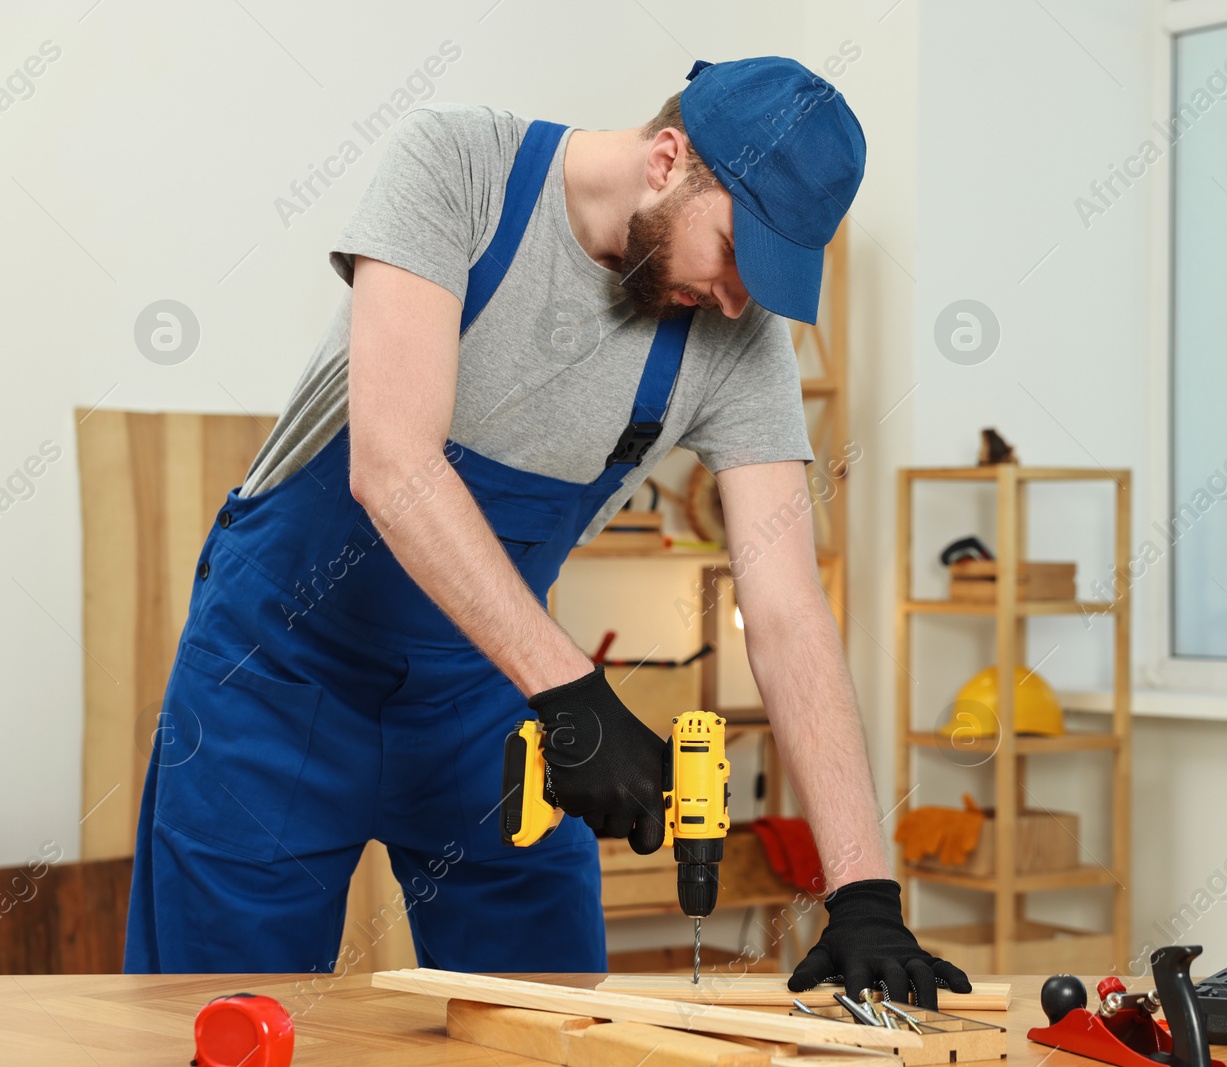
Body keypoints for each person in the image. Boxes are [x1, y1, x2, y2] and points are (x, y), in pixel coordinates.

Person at [124, 55, 970, 1007]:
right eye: (737, 252)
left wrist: (861, 890)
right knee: (222, 1020)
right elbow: (393, 466)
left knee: (555, 1018)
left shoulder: (738, 341)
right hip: (274, 679)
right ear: (667, 159)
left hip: (483, 693)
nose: (739, 299)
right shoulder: (459, 169)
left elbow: (787, 612)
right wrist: (573, 691)